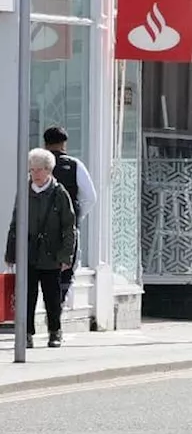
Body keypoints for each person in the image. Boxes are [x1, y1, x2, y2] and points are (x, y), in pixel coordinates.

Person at [4, 149, 76, 348]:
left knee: (52, 297)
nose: (34, 174)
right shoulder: (24, 191)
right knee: (26, 296)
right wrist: (10, 252)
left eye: (39, 170)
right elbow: (14, 222)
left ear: (49, 170)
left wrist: (65, 256)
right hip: (27, 252)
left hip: (51, 255)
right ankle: (26, 333)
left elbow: (69, 227)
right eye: (32, 169)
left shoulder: (59, 193)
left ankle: (55, 331)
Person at [42, 126, 97, 307]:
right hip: (67, 229)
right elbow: (90, 197)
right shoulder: (74, 165)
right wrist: (76, 215)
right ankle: (57, 313)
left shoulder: (36, 166)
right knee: (66, 271)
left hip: (40, 230)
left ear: (45, 144)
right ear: (64, 144)